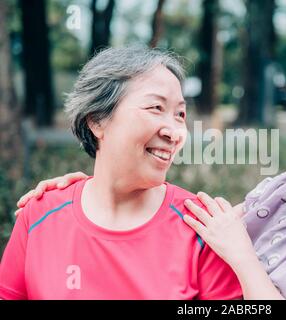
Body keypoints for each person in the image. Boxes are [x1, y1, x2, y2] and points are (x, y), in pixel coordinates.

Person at [14, 27, 286, 300]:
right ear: (97, 121)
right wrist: (81, 195)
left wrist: (243, 258)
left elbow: (225, 246)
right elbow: (201, 226)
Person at [0, 46, 242, 300]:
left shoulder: (204, 230)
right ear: (97, 121)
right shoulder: (39, 214)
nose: (175, 132)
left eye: (180, 114)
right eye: (156, 108)